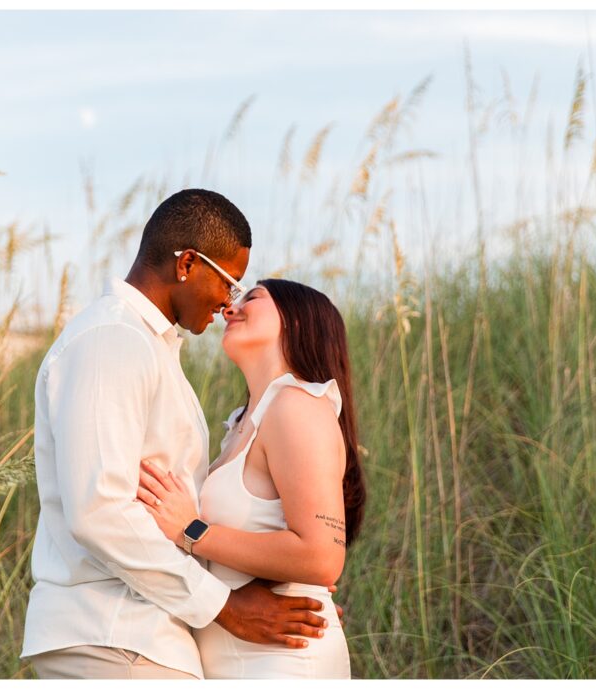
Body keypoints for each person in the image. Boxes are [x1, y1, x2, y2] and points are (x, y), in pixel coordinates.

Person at [20, 190, 332, 680]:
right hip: (115, 633)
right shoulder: (113, 341)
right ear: (187, 264)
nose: (228, 302)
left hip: (144, 636)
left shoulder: (149, 348)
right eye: (230, 282)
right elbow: (99, 511)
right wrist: (224, 605)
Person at [137, 278, 366, 678]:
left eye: (252, 298)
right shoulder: (243, 424)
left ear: (296, 322)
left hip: (282, 660)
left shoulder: (296, 406)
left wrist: (191, 529)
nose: (229, 308)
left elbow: (321, 558)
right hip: (235, 654)